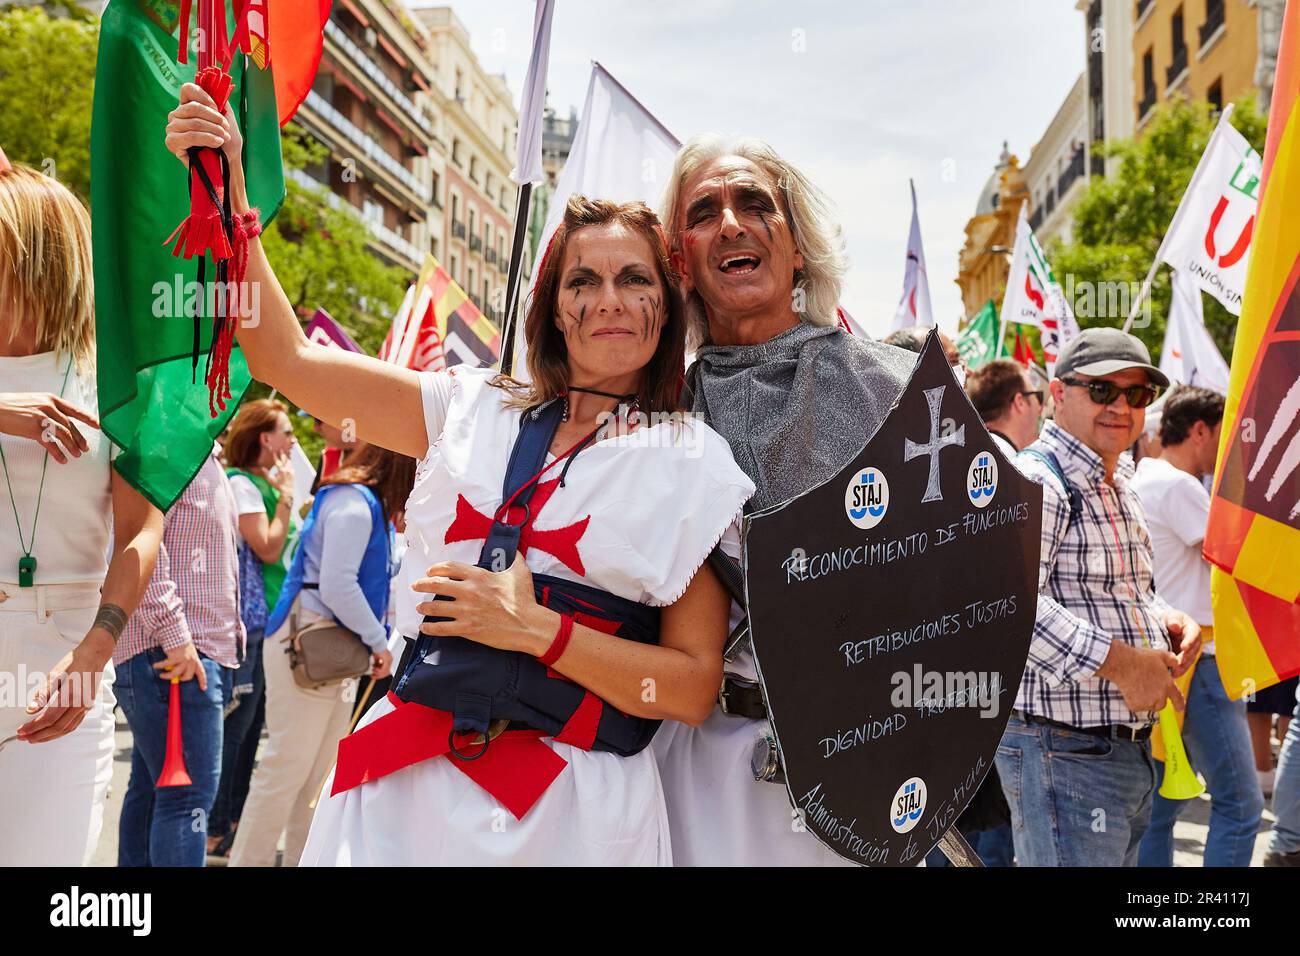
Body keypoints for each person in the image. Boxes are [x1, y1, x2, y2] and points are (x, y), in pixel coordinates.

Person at [164, 88, 752, 866]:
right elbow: (285, 360)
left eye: (634, 280)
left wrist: (540, 629)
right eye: (583, 281)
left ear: (666, 304)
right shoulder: (469, 406)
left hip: (570, 817)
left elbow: (687, 687)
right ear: (554, 306)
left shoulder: (693, 460)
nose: (608, 300)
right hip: (401, 792)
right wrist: (228, 190)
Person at [654, 135, 914, 866]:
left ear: (796, 247)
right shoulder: (652, 412)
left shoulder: (902, 394)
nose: (732, 223)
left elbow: (979, 573)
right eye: (704, 211)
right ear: (681, 260)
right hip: (699, 774)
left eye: (755, 204)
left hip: (865, 772)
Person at [0, 155, 164, 865]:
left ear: (34, 257)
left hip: (59, 661)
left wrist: (97, 652)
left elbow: (141, 530)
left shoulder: (114, 385)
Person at [998, 327, 1202, 867]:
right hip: (1064, 748)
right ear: (1060, 395)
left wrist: (1171, 620)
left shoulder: (1118, 481)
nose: (1121, 406)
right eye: (1103, 390)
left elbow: (1126, 594)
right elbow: (1007, 605)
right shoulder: (1038, 479)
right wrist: (1123, 663)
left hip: (1112, 749)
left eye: (1136, 394)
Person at [229, 444, 411, 867]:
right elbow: (337, 585)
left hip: (325, 650)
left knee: (315, 779)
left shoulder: (358, 499)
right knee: (288, 772)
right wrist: (378, 642)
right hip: (311, 647)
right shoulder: (354, 500)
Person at [1131, 385, 1261, 867]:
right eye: (1223, 432)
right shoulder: (1178, 485)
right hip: (1199, 664)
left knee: (1162, 809)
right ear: (1200, 430)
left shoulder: (1145, 477)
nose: (1228, 445)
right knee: (1242, 806)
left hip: (1166, 659)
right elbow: (1236, 555)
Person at [113, 445, 244, 866]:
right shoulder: (168, 445)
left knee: (155, 792)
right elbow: (138, 539)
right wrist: (176, 636)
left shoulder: (200, 451)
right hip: (175, 652)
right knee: (186, 800)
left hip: (186, 650)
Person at [965, 358, 1044, 457]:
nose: (1041, 408)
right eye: (1037, 396)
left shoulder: (973, 452)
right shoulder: (1009, 464)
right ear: (1020, 402)